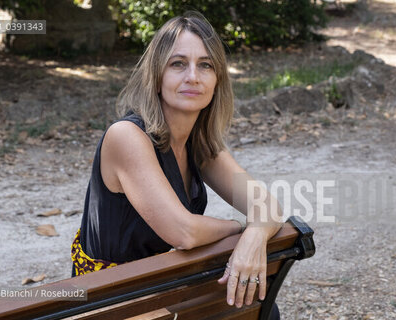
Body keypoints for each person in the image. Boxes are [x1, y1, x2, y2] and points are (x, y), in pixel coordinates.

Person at [71, 11, 283, 318]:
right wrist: (244, 225)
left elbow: (269, 206)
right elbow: (185, 233)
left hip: (158, 290)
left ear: (216, 81)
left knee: (256, 308)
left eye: (206, 65)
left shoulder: (198, 144)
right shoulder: (127, 137)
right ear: (156, 77)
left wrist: (256, 234)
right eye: (178, 64)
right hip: (111, 303)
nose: (193, 76)